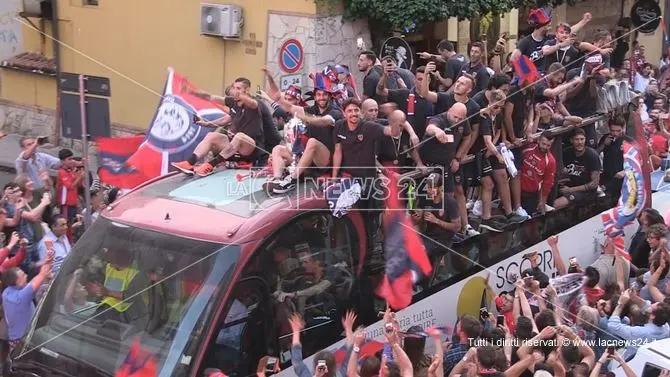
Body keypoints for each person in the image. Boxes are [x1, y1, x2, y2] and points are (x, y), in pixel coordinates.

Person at [172, 77, 265, 176]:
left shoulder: (254, 103)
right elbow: (210, 97)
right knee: (212, 136)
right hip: (235, 147)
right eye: (234, 88)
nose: (235, 91)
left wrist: (243, 96)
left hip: (251, 148)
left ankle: (210, 165)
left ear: (246, 90)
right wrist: (190, 91)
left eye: (238, 88)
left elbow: (252, 103)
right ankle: (189, 163)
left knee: (239, 136)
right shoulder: (232, 102)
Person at [265, 84, 343, 193]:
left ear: (329, 96)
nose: (321, 97)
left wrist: (307, 118)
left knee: (312, 142)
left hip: (325, 159)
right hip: (307, 156)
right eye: (319, 95)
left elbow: (324, 121)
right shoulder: (310, 110)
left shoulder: (335, 112)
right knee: (277, 149)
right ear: (315, 97)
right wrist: (277, 97)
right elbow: (289, 107)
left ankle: (292, 180)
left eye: (324, 94)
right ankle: (277, 179)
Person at [331, 99, 403, 181]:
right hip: (347, 176)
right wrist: (334, 177)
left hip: (367, 179)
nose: (354, 113)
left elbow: (393, 132)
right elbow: (338, 152)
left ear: (360, 112)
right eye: (350, 111)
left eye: (356, 110)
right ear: (344, 113)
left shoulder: (369, 127)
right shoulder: (339, 125)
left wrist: (393, 116)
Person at [2, 261, 51, 354]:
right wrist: (47, 263)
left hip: (16, 338)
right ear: (17, 281)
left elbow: (31, 284)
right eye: (23, 275)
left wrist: (47, 261)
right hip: (22, 341)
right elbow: (41, 275)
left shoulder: (7, 292)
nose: (26, 276)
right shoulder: (20, 297)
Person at [411, 173, 461, 255]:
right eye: (428, 187)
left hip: (443, 239)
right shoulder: (424, 199)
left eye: (432, 187)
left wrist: (436, 220)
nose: (428, 190)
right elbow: (416, 222)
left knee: (418, 251)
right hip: (427, 236)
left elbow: (457, 227)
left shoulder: (450, 202)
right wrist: (416, 219)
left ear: (441, 188)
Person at [554, 128, 601, 210]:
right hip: (569, 185)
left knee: (555, 205)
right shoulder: (566, 153)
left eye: (582, 139)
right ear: (571, 140)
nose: (580, 142)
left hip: (586, 192)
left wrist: (571, 190)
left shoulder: (592, 156)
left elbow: (594, 184)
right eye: (576, 139)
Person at [520, 131, 556, 216]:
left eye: (548, 145)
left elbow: (548, 183)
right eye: (543, 144)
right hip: (517, 189)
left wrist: (542, 201)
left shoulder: (550, 161)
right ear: (538, 140)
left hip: (531, 195)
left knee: (528, 220)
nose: (545, 147)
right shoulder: (527, 148)